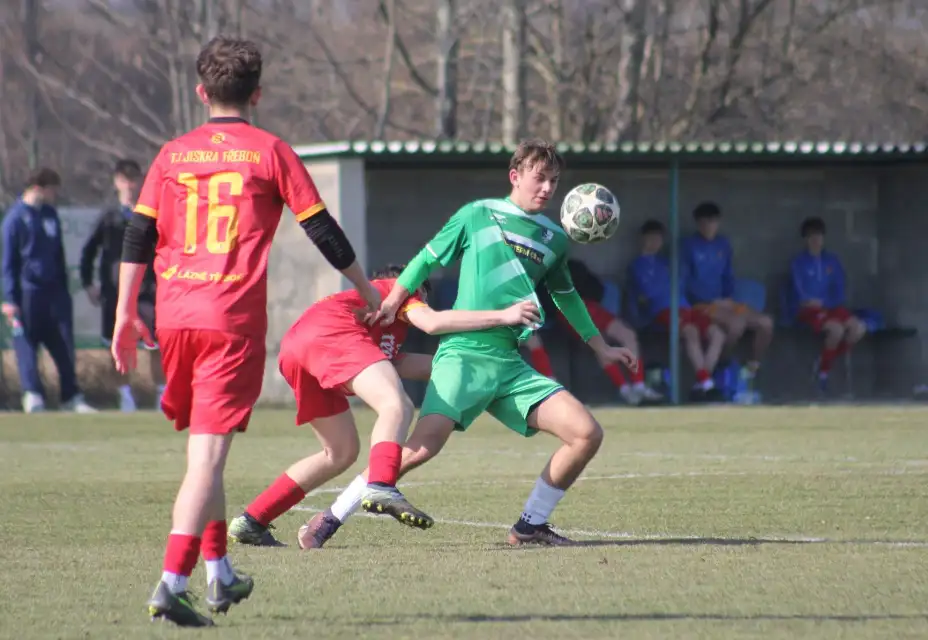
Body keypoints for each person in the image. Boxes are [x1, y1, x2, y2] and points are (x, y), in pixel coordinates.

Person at [110, 37, 381, 628]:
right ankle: (171, 582)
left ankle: (219, 571)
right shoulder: (270, 151)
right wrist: (365, 288)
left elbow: (137, 235)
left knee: (205, 453)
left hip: (175, 317)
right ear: (257, 94)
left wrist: (125, 312)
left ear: (201, 92)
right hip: (228, 319)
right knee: (207, 457)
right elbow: (322, 229)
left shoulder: (172, 154)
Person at [305, 139, 637, 550]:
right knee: (417, 451)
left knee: (586, 433)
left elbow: (566, 297)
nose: (548, 188)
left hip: (509, 364)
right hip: (462, 356)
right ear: (515, 176)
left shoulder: (555, 238)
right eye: (540, 178)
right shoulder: (478, 214)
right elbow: (426, 259)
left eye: (554, 181)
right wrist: (391, 303)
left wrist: (601, 347)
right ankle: (329, 518)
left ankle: (530, 526)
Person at [228, 265, 541, 548]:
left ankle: (252, 520)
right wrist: (504, 316)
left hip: (297, 348)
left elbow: (400, 363)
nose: (422, 302)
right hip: (330, 335)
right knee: (397, 405)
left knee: (339, 452)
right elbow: (431, 323)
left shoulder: (377, 317)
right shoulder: (400, 289)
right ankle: (380, 485)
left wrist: (469, 367)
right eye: (422, 295)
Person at [1, 167, 96, 414]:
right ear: (38, 188)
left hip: (55, 293)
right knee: (27, 345)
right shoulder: (15, 219)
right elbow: (8, 262)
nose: (55, 195)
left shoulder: (50, 214)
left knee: (63, 344)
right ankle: (32, 394)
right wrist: (10, 299)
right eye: (52, 189)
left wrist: (64, 289)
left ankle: (71, 396)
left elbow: (58, 254)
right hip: (28, 293)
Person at [80, 159, 164, 411]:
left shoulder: (151, 214)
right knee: (117, 345)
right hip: (115, 293)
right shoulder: (108, 218)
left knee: (156, 344)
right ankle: (125, 397)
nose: (129, 185)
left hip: (147, 290)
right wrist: (88, 283)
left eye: (133, 179)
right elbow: (88, 252)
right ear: (116, 182)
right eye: (124, 180)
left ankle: (162, 395)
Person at [527, 259, 662, 406]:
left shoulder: (575, 267)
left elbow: (597, 289)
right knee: (599, 343)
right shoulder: (539, 273)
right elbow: (544, 303)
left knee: (628, 335)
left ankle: (639, 386)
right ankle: (626, 391)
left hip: (590, 306)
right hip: (566, 311)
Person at [628, 220, 726, 400]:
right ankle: (706, 383)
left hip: (685, 307)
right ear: (643, 239)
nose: (655, 242)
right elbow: (648, 294)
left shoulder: (668, 263)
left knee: (717, 334)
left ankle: (703, 382)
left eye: (659, 238)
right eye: (651, 238)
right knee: (690, 331)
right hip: (661, 310)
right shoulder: (638, 264)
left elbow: (682, 285)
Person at [681, 202, 773, 380]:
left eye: (713, 221)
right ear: (698, 224)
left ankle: (752, 368)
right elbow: (683, 281)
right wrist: (702, 302)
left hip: (725, 302)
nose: (709, 226)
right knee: (736, 325)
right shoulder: (688, 246)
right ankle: (721, 365)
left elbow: (728, 276)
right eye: (704, 222)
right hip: (701, 304)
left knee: (766, 323)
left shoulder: (723, 244)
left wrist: (728, 299)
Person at [790, 217, 867, 391]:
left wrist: (828, 302)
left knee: (859, 328)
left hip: (832, 307)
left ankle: (826, 358)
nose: (816, 240)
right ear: (805, 239)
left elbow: (839, 288)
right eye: (811, 236)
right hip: (809, 310)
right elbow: (799, 291)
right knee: (836, 330)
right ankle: (823, 374)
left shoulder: (832, 260)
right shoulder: (798, 263)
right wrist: (808, 301)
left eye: (819, 236)